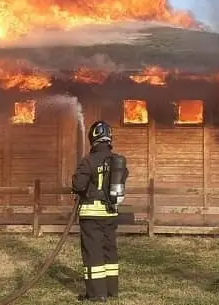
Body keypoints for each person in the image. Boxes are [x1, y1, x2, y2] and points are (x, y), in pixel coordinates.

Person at [71, 120, 127, 302]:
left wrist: (77, 178)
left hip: (91, 214)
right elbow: (122, 177)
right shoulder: (117, 160)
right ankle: (111, 290)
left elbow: (79, 185)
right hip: (110, 213)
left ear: (93, 137)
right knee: (109, 249)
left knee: (92, 251)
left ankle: (96, 294)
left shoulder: (88, 160)